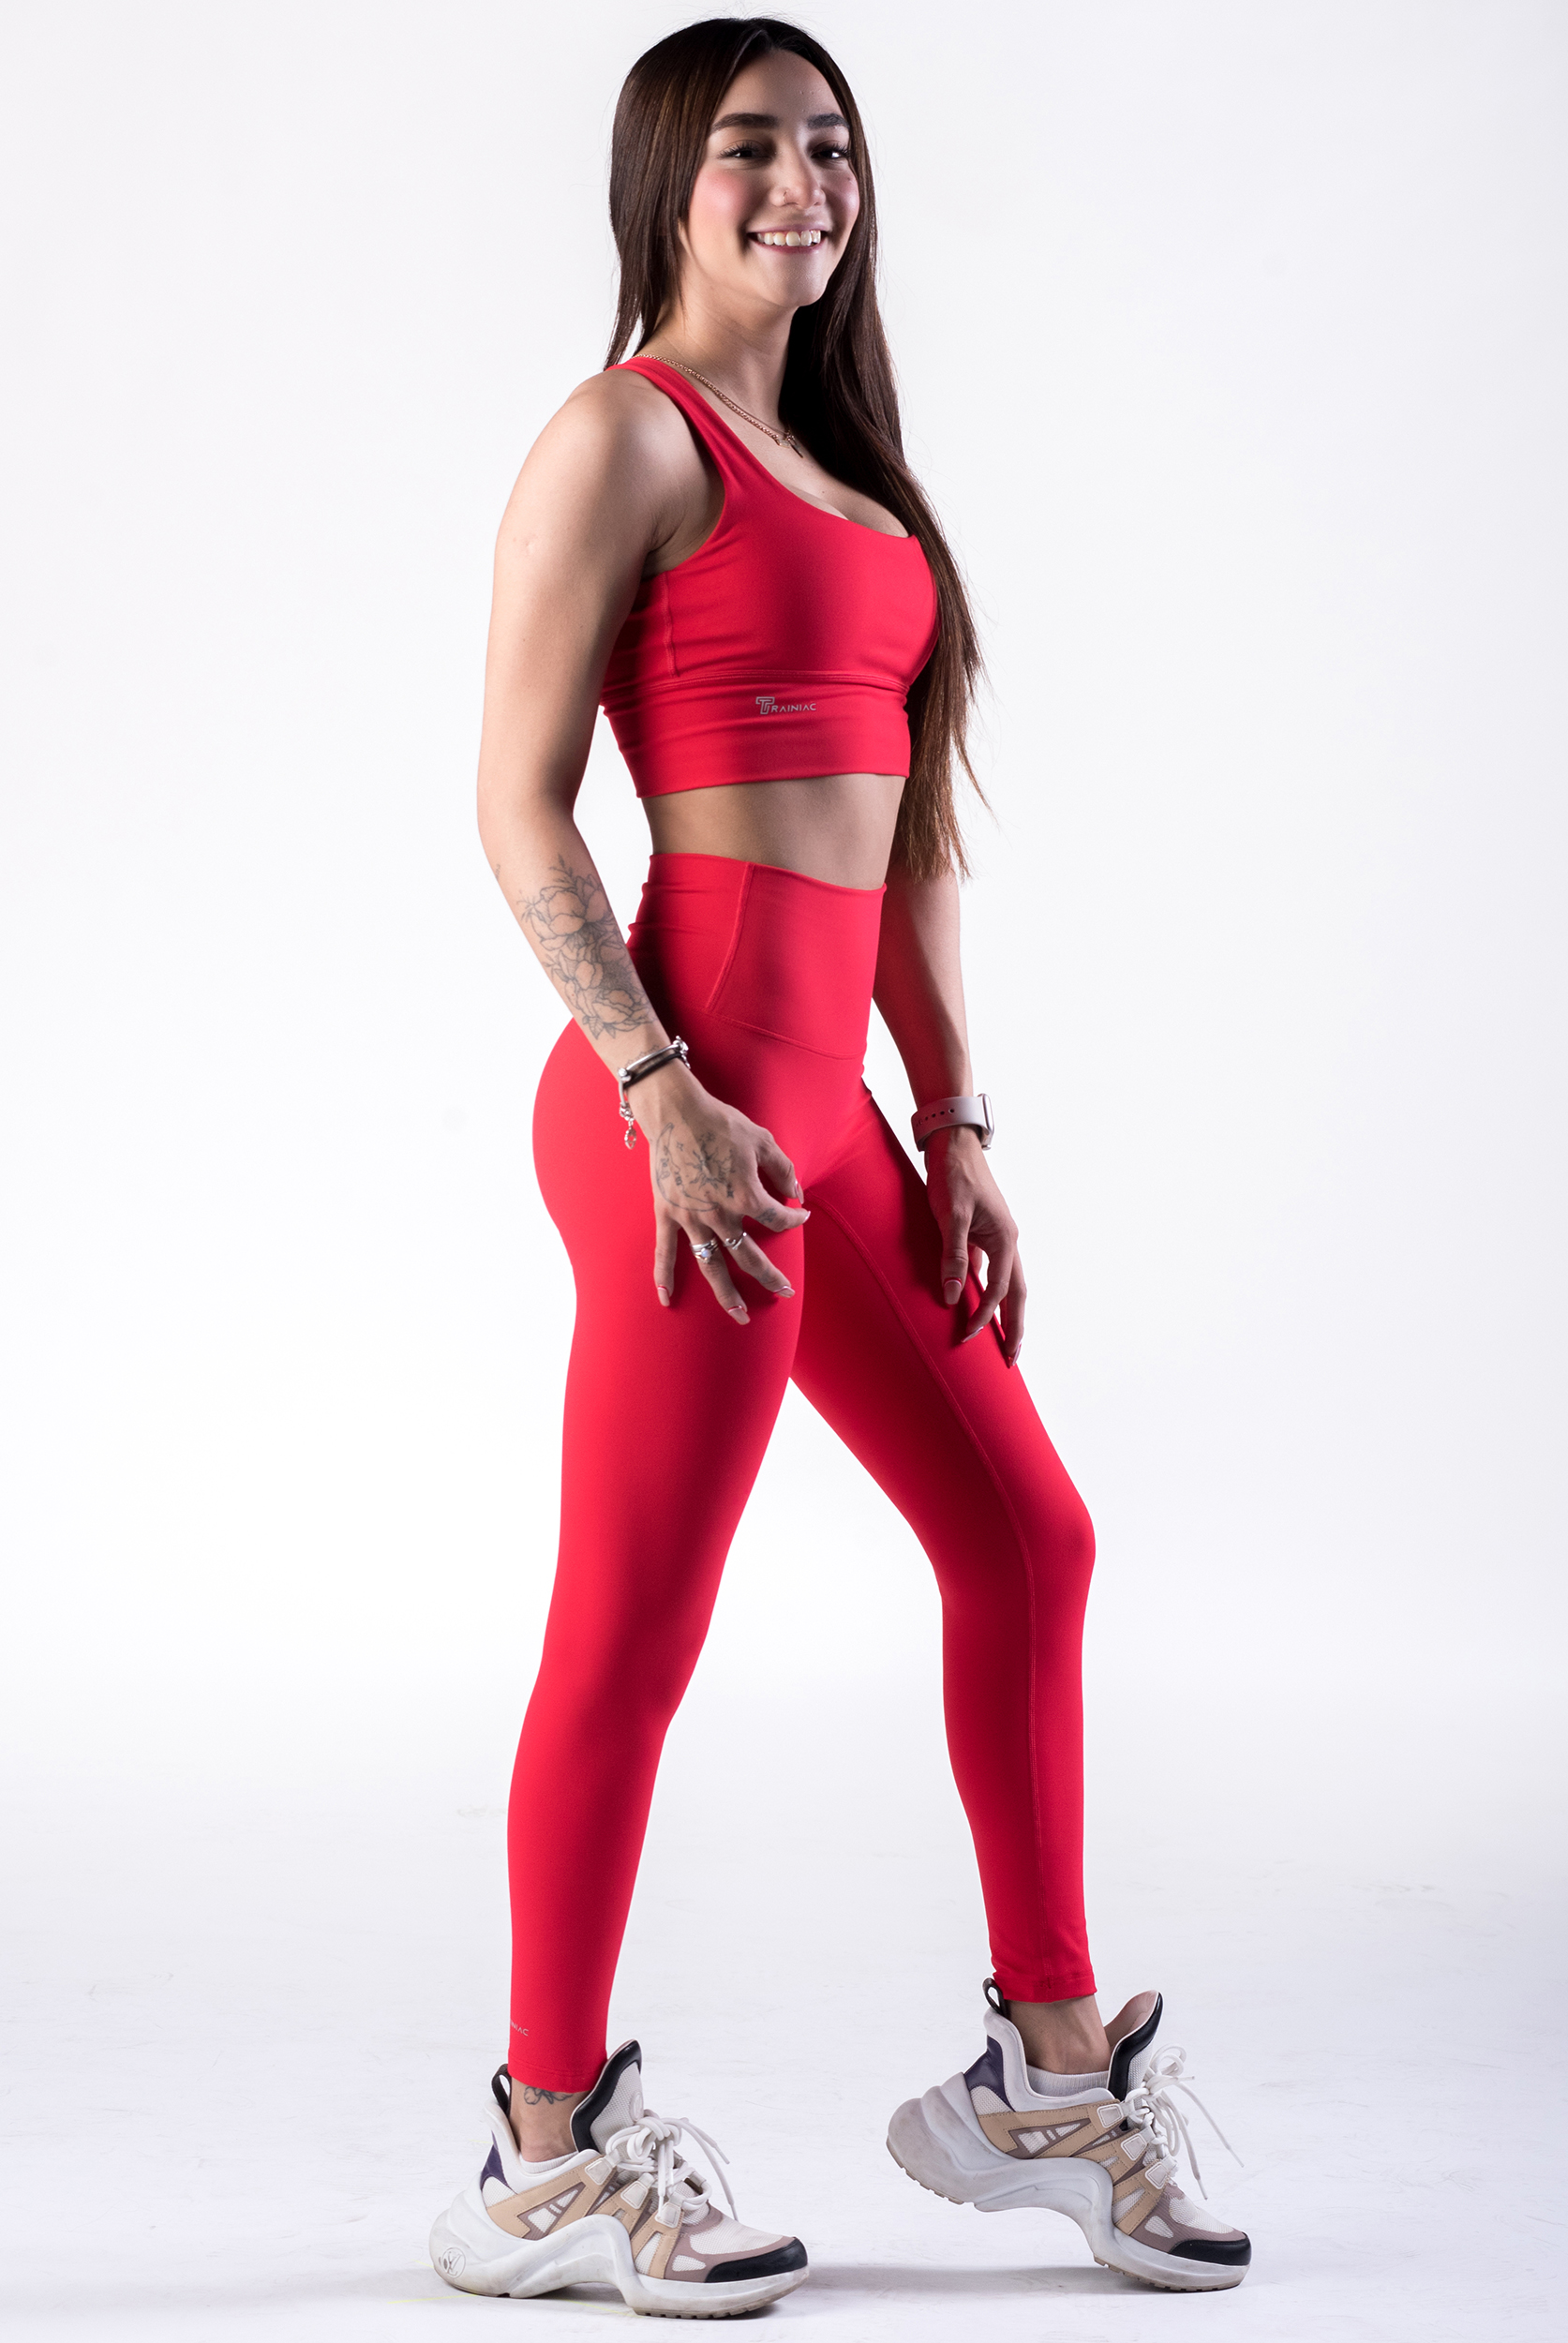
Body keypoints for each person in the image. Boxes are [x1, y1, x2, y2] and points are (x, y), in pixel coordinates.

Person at [429, 16, 1249, 2318]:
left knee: (1031, 1537)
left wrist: (954, 1117)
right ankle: (541, 2149)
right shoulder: (625, 435)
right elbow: (514, 800)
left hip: (828, 1124)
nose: (802, 183)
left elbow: (908, 845)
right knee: (638, 1626)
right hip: (681, 1114)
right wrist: (652, 1080)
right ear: (664, 186)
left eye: (830, 146)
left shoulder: (865, 483)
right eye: (749, 149)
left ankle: (1047, 2078)